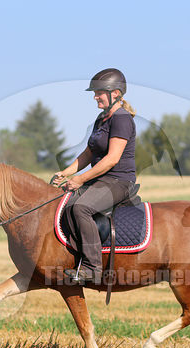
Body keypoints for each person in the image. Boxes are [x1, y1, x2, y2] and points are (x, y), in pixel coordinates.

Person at [52, 68, 137, 284]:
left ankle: (92, 268)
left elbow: (112, 159)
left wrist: (80, 179)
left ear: (115, 93)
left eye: (99, 92)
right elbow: (89, 152)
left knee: (81, 207)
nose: (95, 96)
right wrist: (67, 172)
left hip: (118, 181)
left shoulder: (122, 119)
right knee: (66, 204)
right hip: (101, 179)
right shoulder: (102, 118)